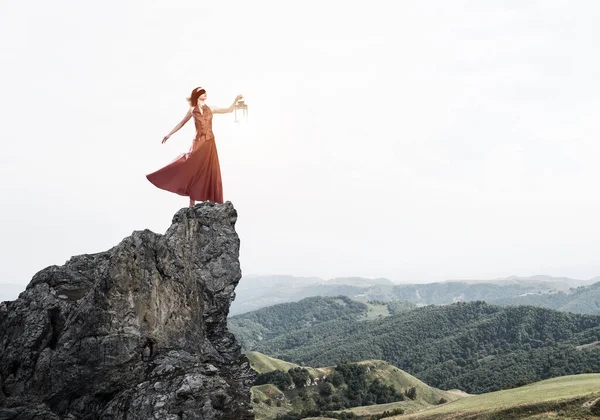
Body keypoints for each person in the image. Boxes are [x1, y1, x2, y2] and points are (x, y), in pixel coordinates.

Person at [146, 87, 243, 207]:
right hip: (198, 142)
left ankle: (208, 199)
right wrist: (169, 134)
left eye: (205, 92)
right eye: (202, 92)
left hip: (209, 142)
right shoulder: (192, 110)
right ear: (197, 95)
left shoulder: (211, 108)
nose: (205, 93)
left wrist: (235, 100)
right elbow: (181, 123)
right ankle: (190, 200)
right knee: (191, 166)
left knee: (209, 169)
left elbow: (229, 110)